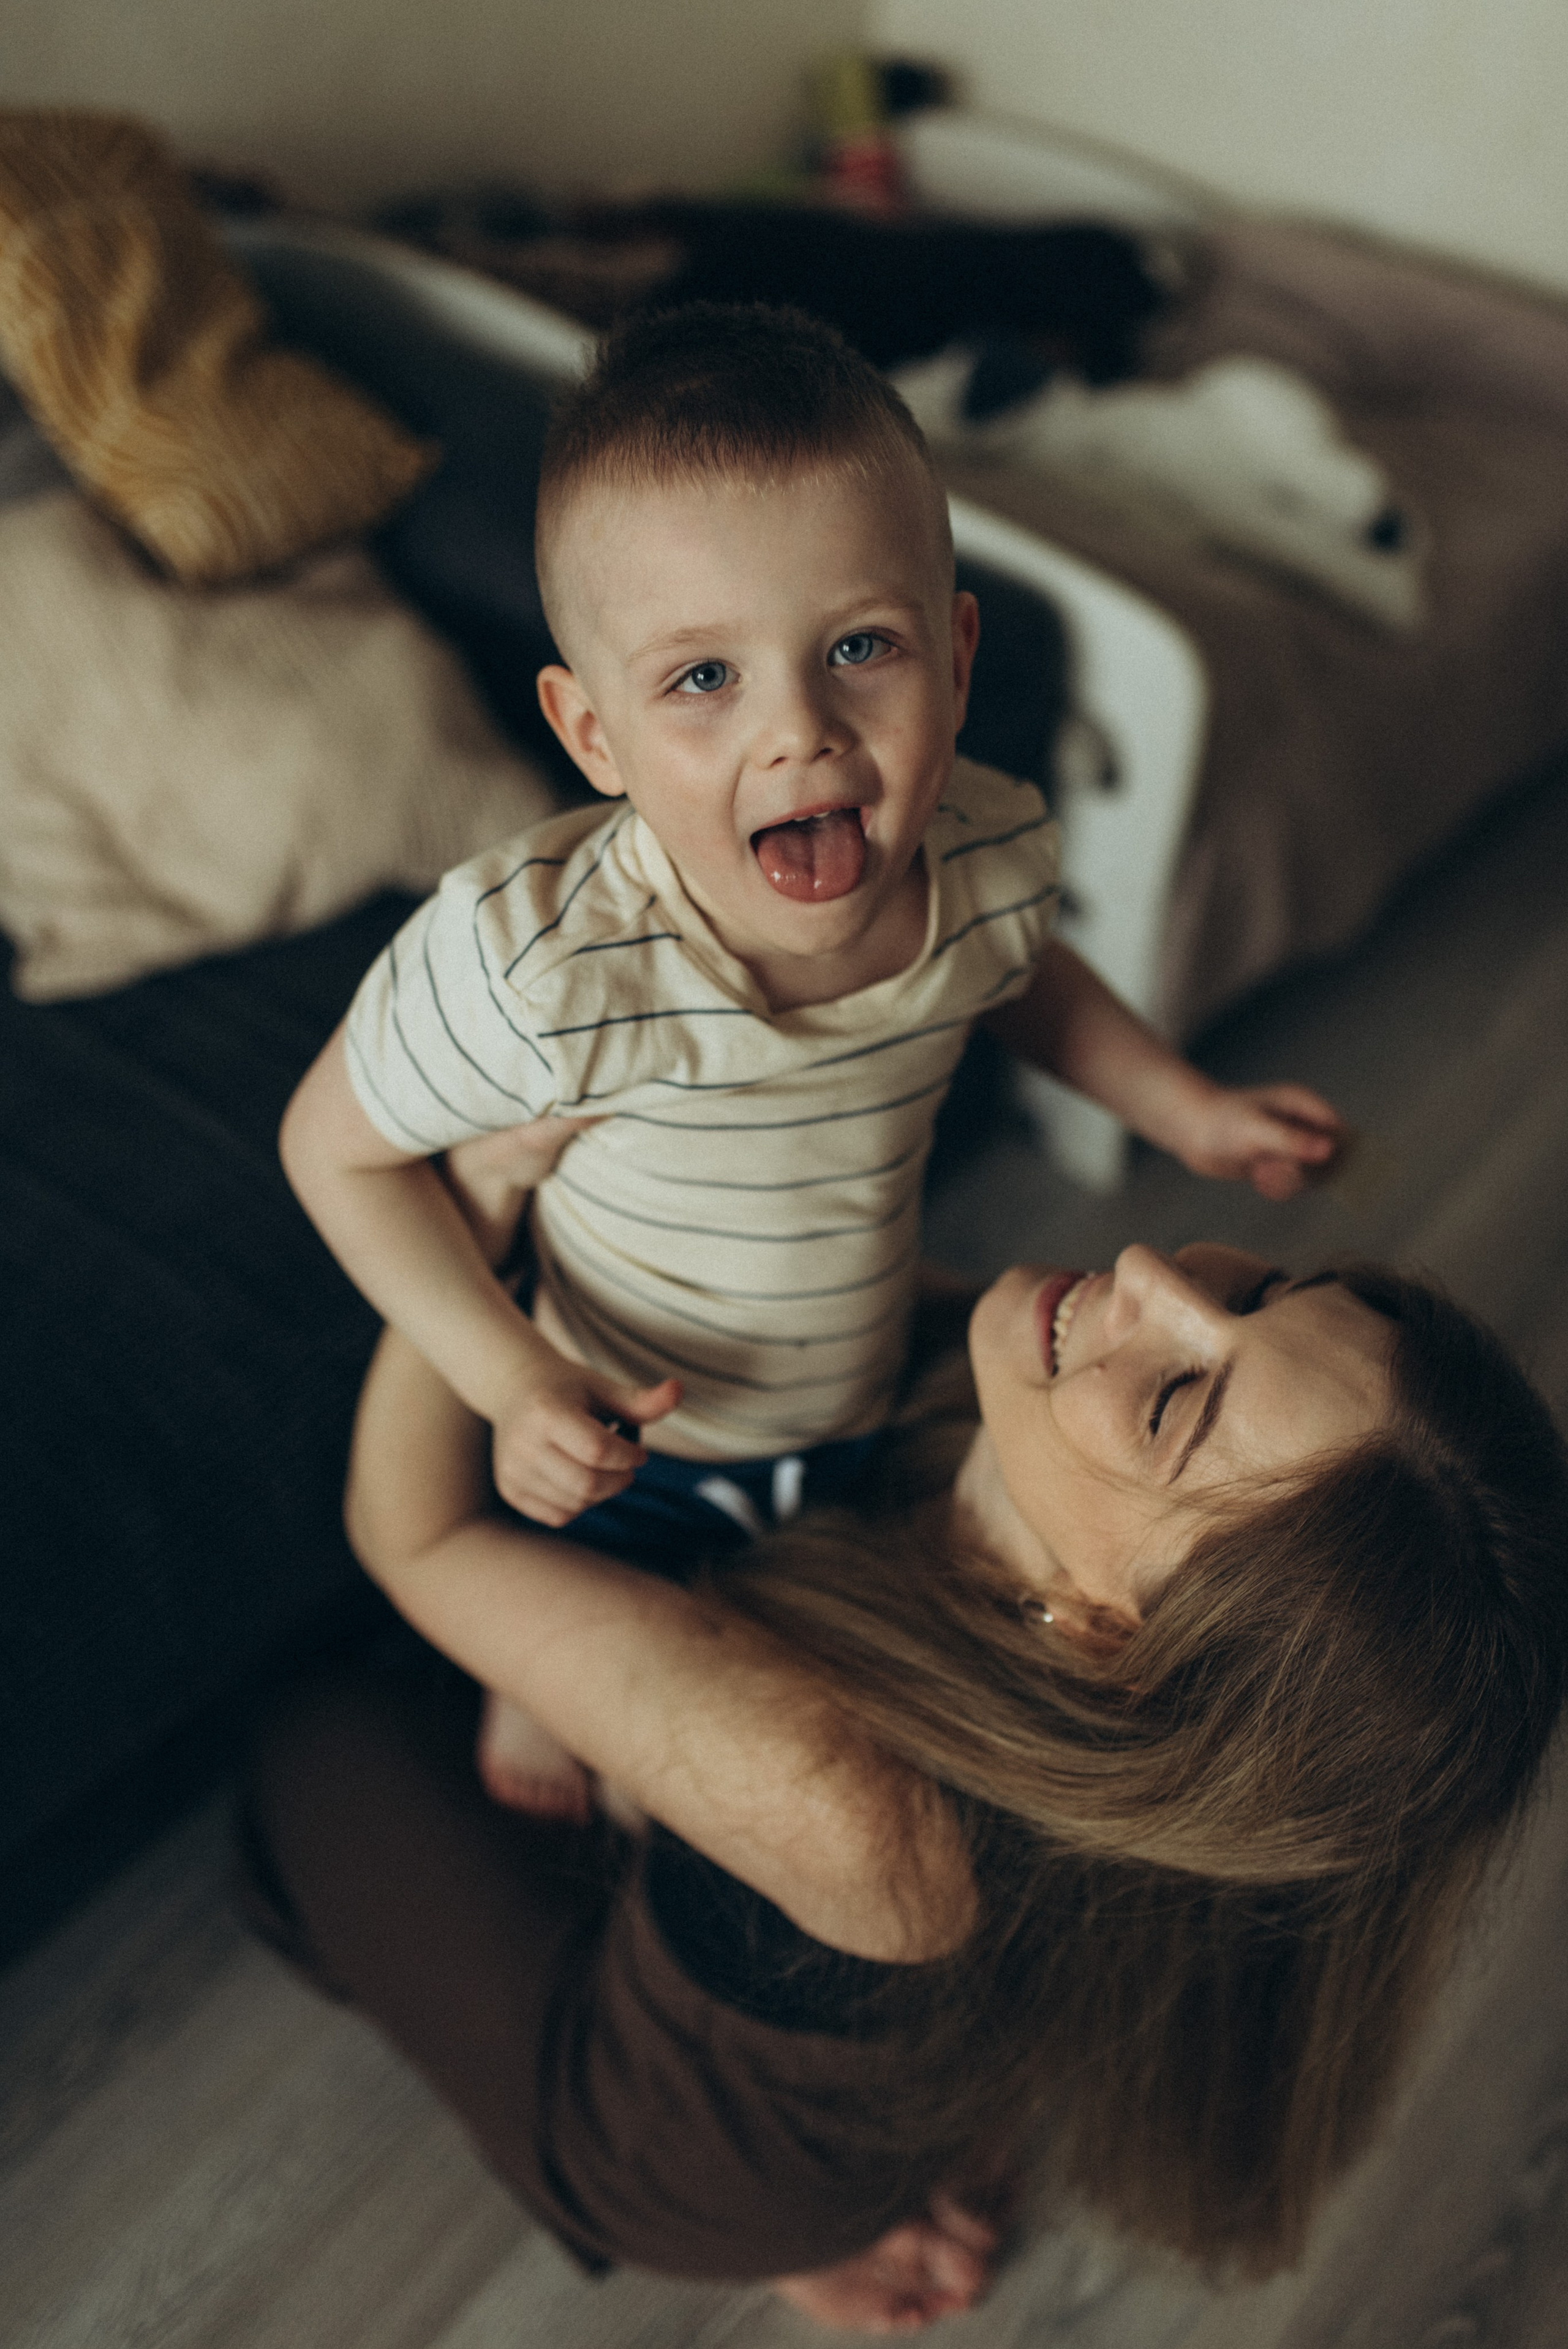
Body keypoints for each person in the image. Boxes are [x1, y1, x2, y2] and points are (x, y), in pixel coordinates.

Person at [278, 302, 1343, 1814]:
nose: (802, 732)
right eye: (700, 680)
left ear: (955, 657)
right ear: (593, 735)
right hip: (618, 1432)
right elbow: (332, 1150)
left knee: (815, 1620)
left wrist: (1182, 1103)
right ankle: (526, 1699)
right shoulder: (536, 967)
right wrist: (503, 1375)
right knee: (564, 1729)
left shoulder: (981, 845)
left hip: (850, 1390)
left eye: (859, 646)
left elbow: (1024, 977)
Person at [241, 1122, 1568, 2333]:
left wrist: (466, 1236)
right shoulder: (1058, 1508)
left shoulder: (831, 1784)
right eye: (1259, 1292)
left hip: (688, 2146)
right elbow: (785, 1289)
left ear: (1109, 1635)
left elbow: (415, 1533)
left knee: (315, 1740)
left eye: (1174, 1401)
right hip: (858, 1987)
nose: (1151, 1271)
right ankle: (879, 2122)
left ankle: (807, 2220)